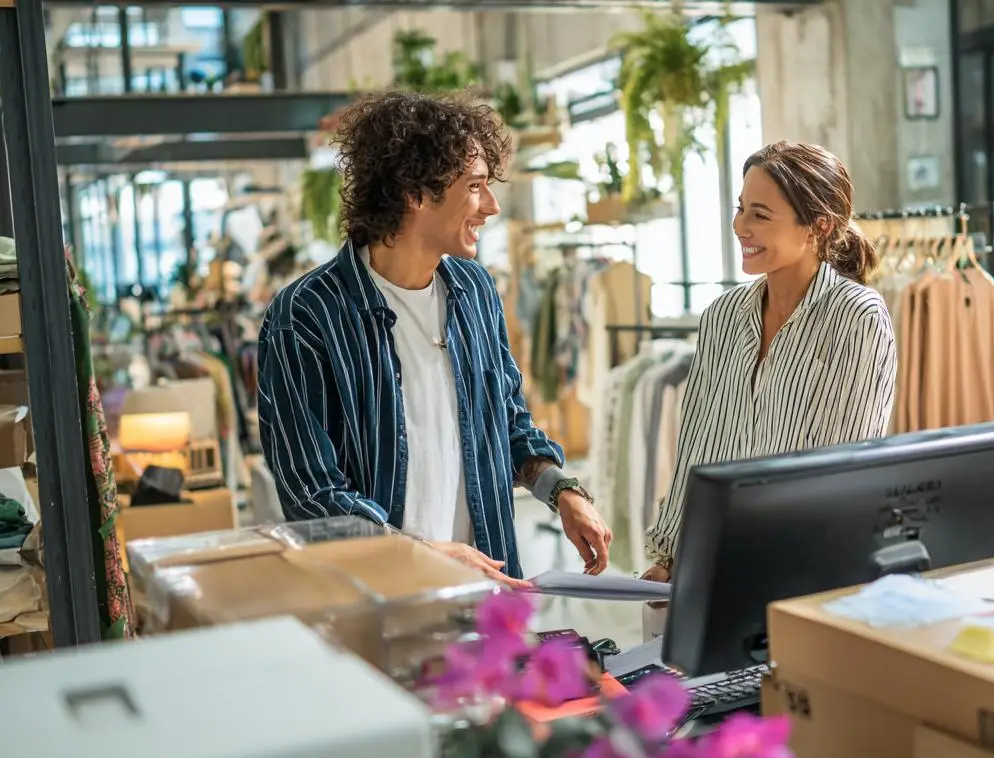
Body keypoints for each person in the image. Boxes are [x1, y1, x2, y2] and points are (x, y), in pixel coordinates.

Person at [257, 90, 612, 588]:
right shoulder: (307, 316)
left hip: (489, 589)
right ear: (415, 193)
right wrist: (424, 556)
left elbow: (508, 421)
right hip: (378, 600)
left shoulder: (475, 290)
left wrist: (562, 491)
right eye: (475, 186)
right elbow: (312, 493)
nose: (490, 206)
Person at [641, 141, 897, 581]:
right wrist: (666, 556)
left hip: (805, 571)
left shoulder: (856, 317)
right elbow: (697, 449)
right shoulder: (721, 316)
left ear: (816, 227)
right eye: (740, 209)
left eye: (760, 215)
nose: (740, 226)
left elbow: (841, 472)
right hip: (712, 564)